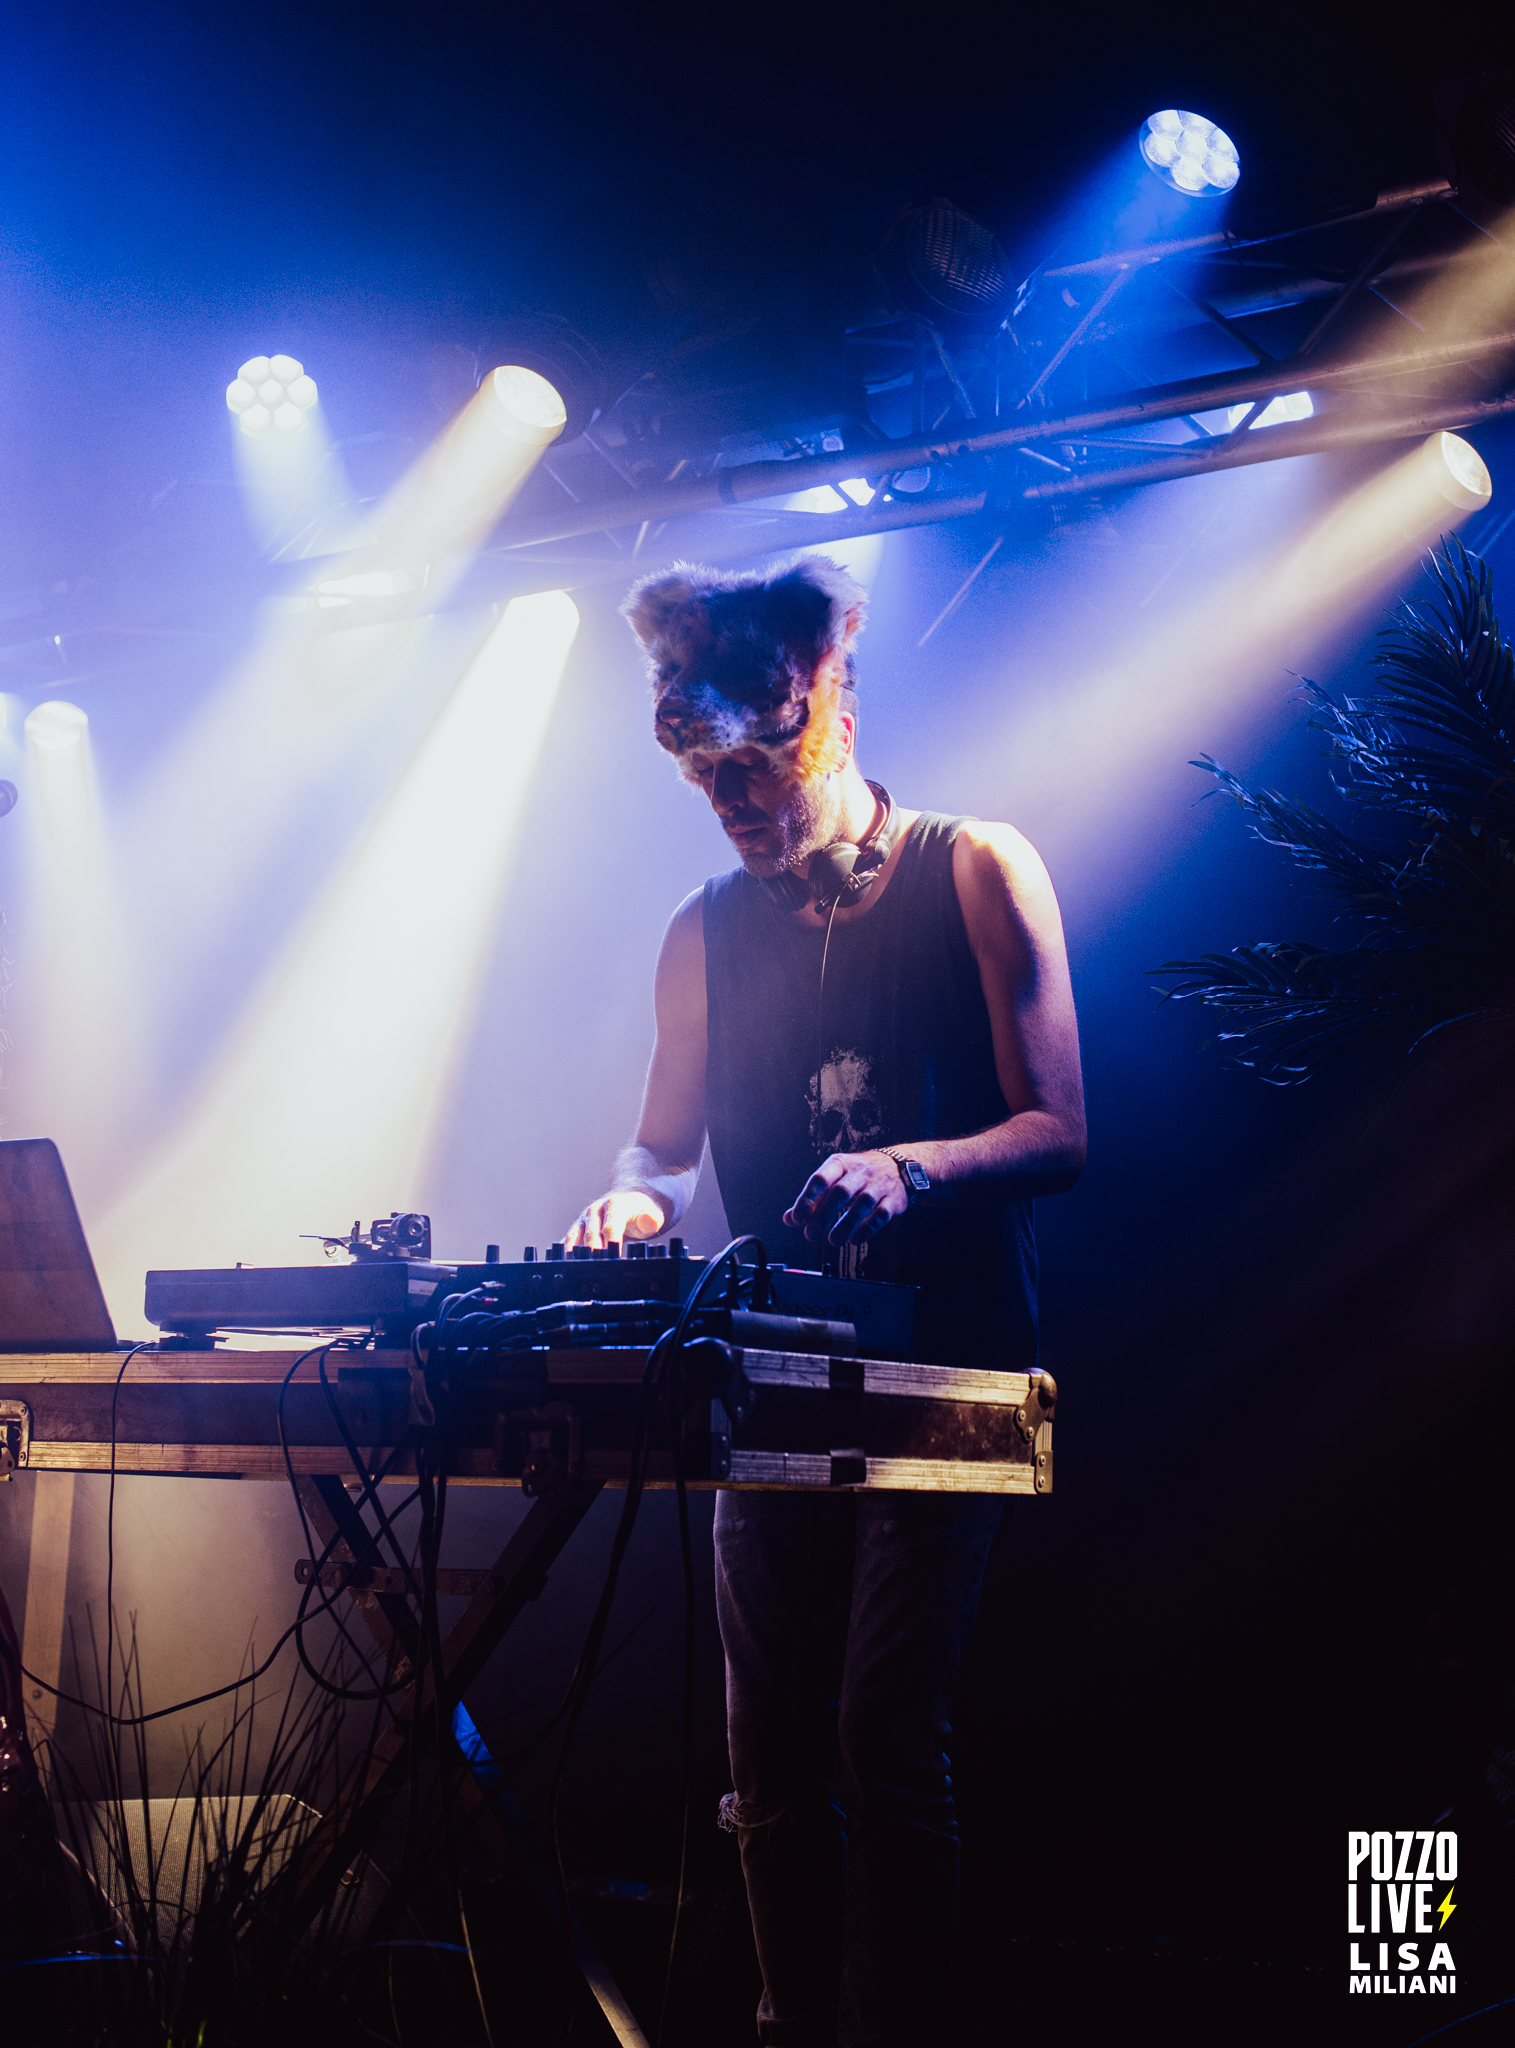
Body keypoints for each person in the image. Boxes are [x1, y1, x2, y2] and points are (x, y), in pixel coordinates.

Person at [566, 555, 1085, 2048]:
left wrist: (914, 1166)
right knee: (765, 1752)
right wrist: (636, 1192)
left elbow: (1060, 1128)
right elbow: (659, 1138)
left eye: (751, 765)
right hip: (771, 1381)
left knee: (880, 1732)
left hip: (953, 1374)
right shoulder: (702, 929)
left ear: (827, 704)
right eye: (704, 778)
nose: (730, 802)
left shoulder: (977, 863)